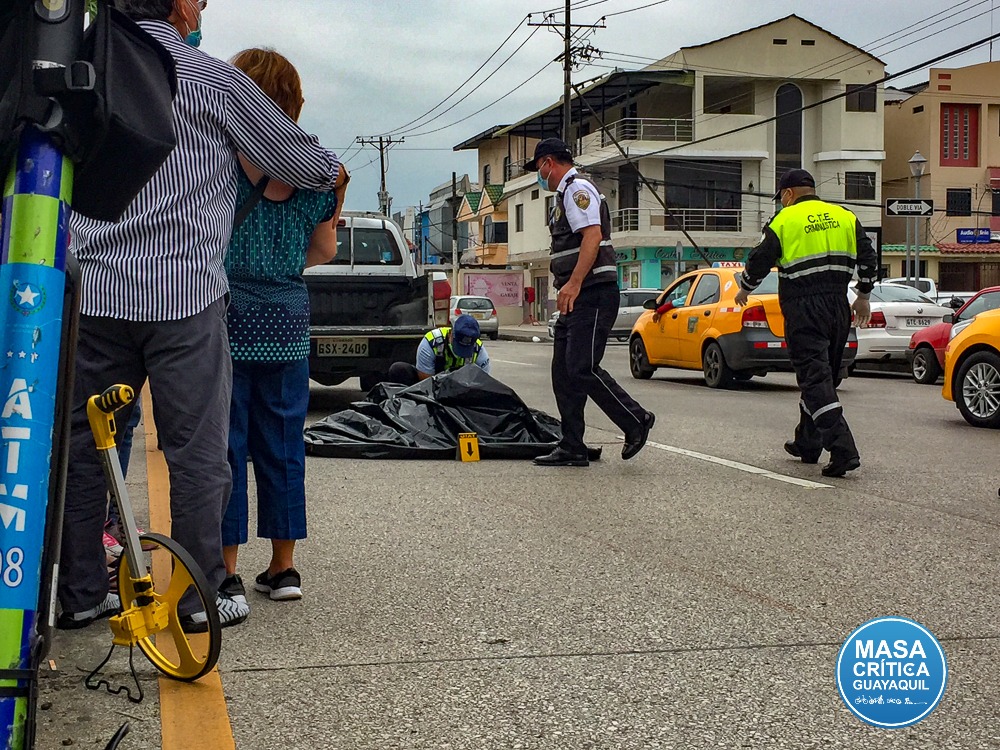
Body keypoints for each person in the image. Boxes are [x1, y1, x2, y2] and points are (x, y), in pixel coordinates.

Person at [58, 0, 348, 631]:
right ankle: (195, 600)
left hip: (96, 289)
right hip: (184, 296)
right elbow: (308, 165)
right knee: (198, 452)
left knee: (86, 443)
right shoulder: (211, 78)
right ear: (179, 3)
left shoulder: (82, 64)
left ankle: (79, 592)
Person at [220, 47, 346, 606]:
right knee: (284, 447)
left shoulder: (220, 166)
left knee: (225, 448)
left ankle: (225, 571)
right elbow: (323, 251)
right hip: (288, 327)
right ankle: (283, 568)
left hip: (225, 322)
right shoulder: (318, 178)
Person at [734, 168, 877, 478]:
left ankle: (842, 449)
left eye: (781, 198)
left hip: (803, 308)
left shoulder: (783, 221)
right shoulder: (845, 216)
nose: (781, 203)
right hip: (838, 306)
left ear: (788, 194)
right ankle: (807, 443)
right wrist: (863, 295)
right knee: (823, 377)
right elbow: (868, 258)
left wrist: (745, 288)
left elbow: (760, 260)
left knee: (814, 381)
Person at [525, 138, 654, 468]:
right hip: (576, 296)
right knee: (563, 372)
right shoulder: (563, 195)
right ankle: (572, 445)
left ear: (548, 163)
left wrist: (574, 282)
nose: (539, 176)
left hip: (592, 292)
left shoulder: (577, 189)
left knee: (582, 367)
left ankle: (636, 420)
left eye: (538, 168)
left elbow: (592, 236)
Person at [386, 314, 491, 386]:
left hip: (462, 391)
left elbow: (482, 386)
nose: (461, 354)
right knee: (399, 370)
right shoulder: (431, 343)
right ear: (451, 334)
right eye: (459, 346)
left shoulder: (480, 352)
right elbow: (425, 385)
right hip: (432, 387)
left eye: (466, 349)